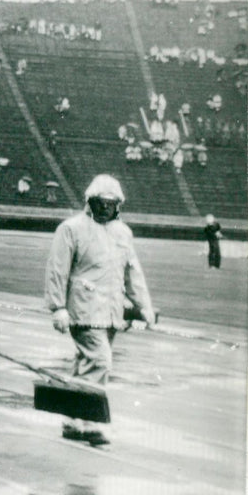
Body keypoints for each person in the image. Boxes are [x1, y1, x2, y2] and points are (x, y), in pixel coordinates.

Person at [45, 174, 155, 446]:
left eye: (111, 203)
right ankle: (92, 420)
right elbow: (57, 270)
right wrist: (57, 307)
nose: (105, 207)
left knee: (86, 364)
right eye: (100, 202)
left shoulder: (123, 233)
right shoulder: (71, 229)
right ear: (89, 202)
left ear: (118, 205)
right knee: (101, 361)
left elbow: (132, 273)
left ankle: (71, 419)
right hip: (82, 309)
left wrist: (144, 306)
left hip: (111, 311)